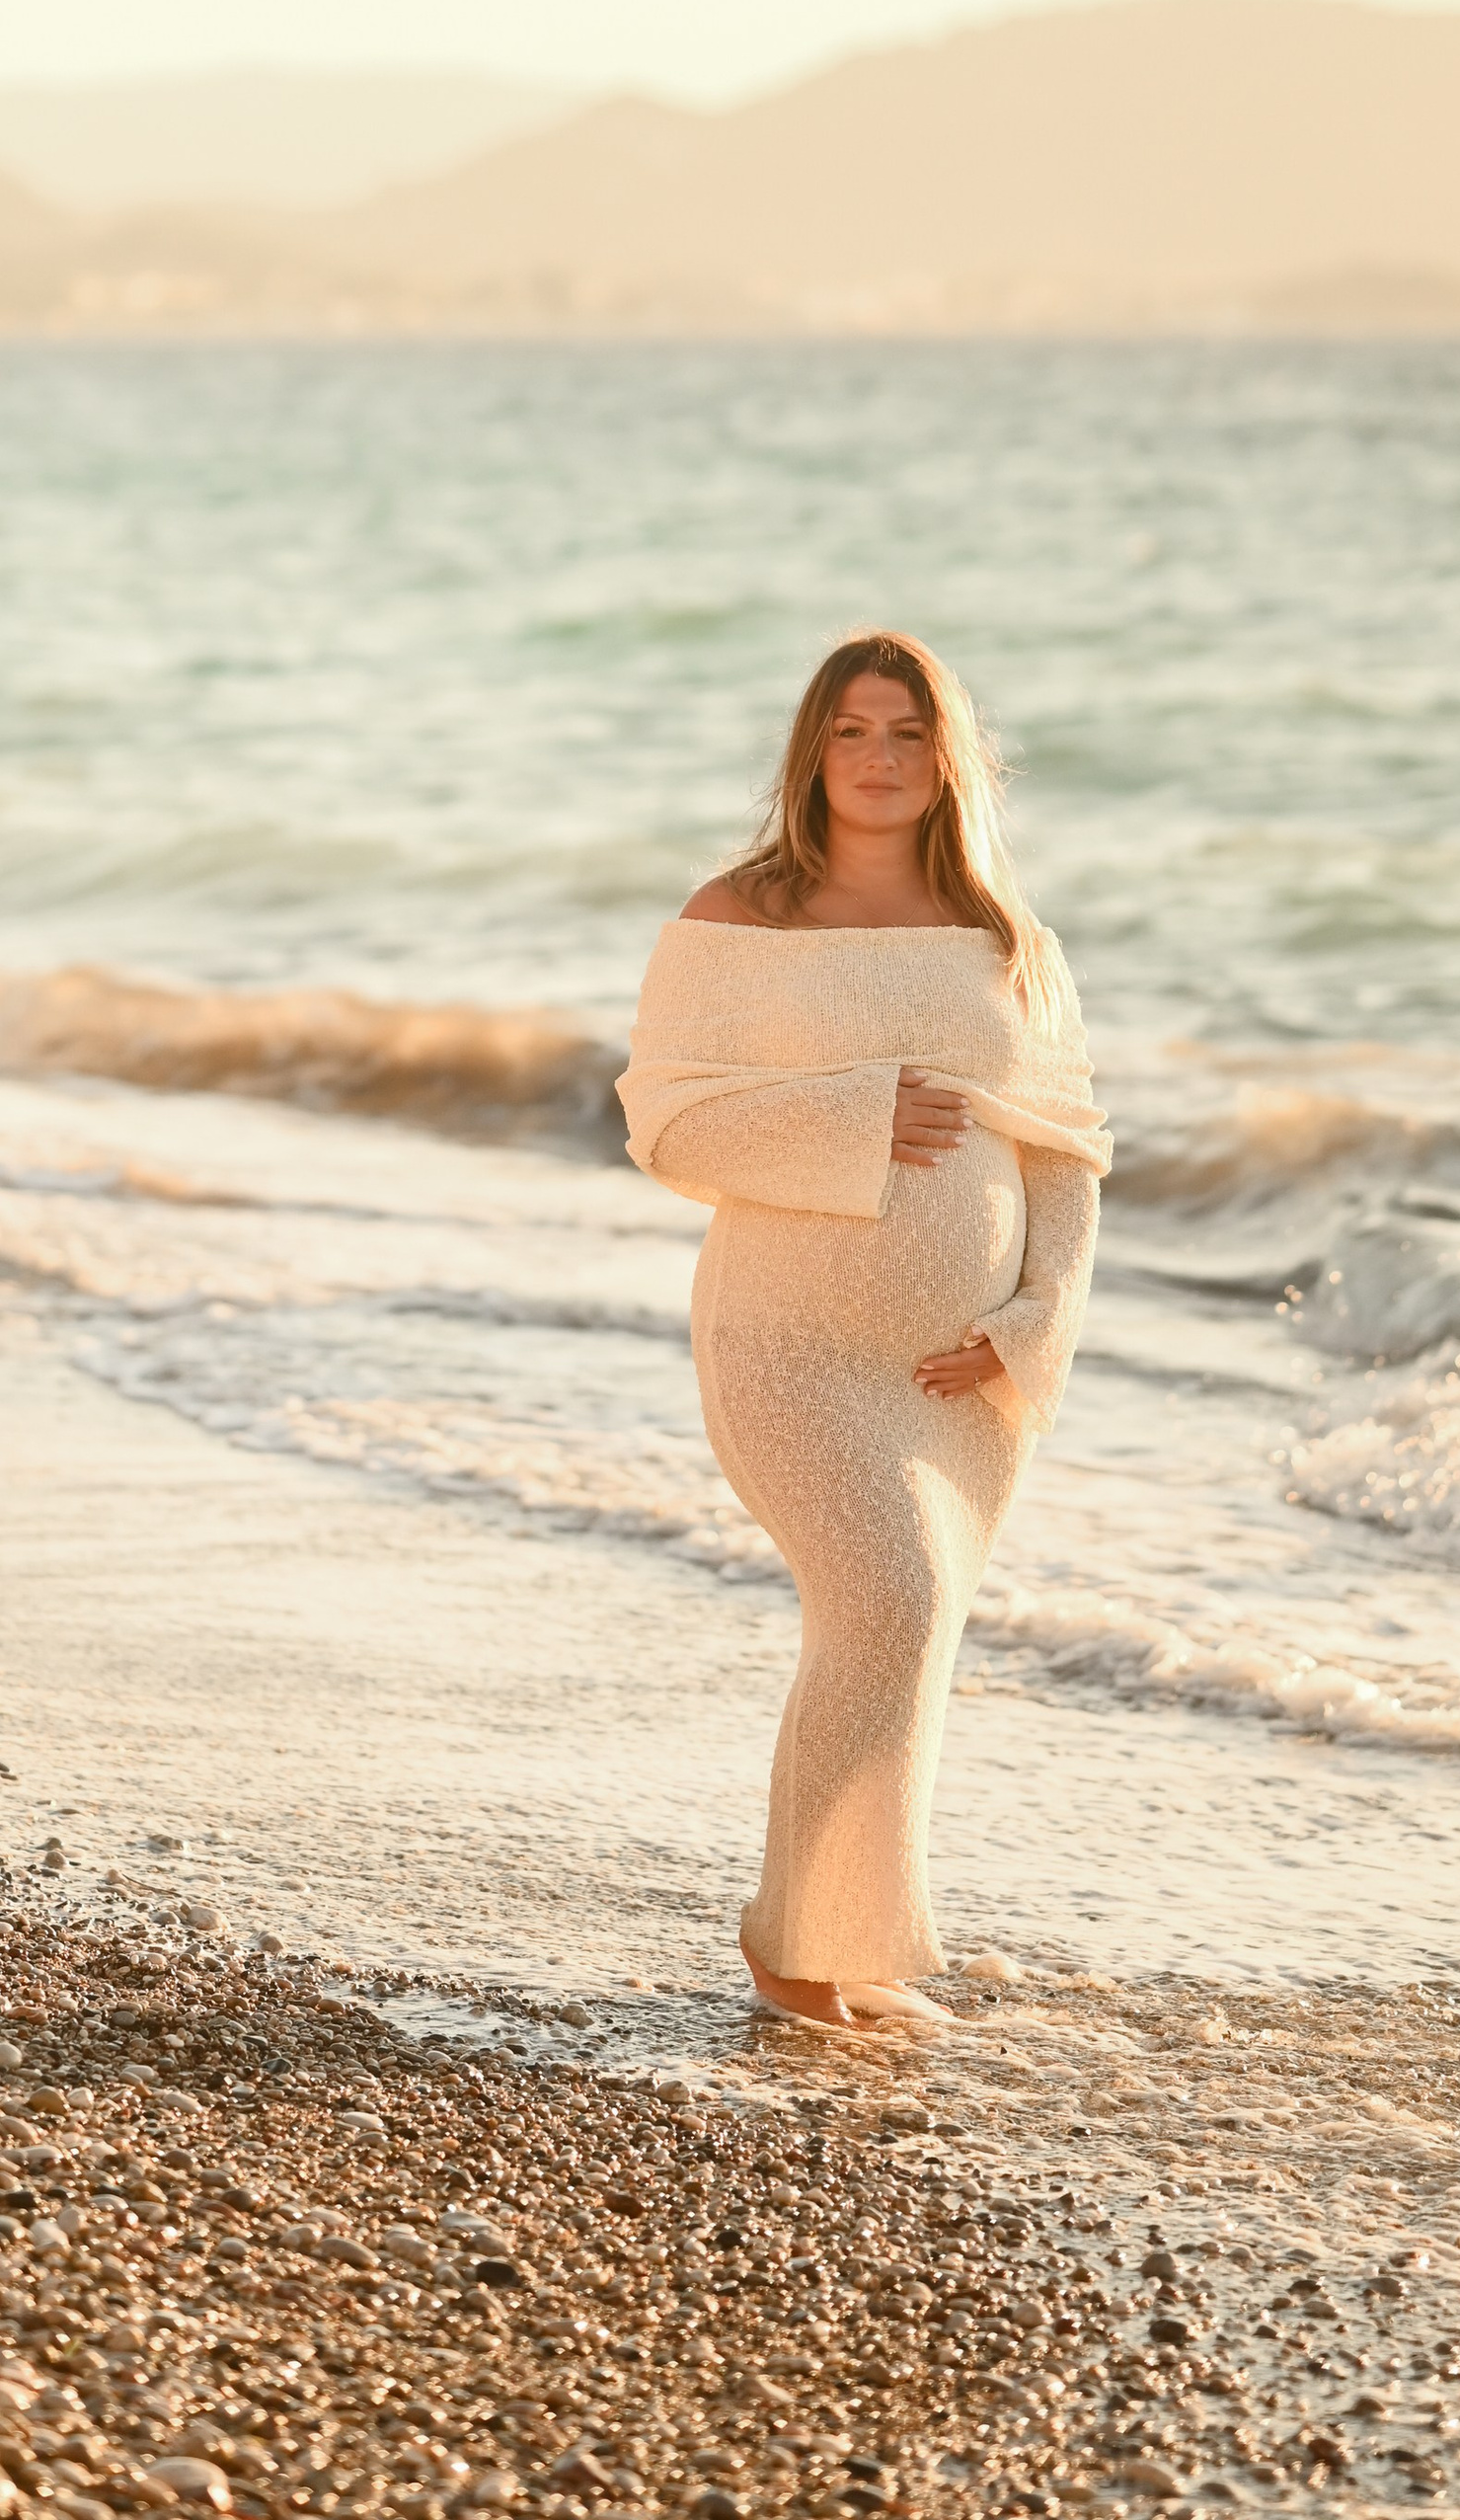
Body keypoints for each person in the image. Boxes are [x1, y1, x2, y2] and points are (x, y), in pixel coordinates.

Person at [617, 632, 1109, 2029]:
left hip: (957, 1370)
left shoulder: (1013, 942)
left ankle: (839, 1938)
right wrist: (861, 1114)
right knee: (887, 1602)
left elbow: (1070, 1153)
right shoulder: (739, 916)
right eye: (851, 731)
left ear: (951, 757)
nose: (880, 757)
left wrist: (1030, 1319)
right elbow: (667, 1121)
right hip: (787, 1342)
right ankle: (795, 1943)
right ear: (811, 752)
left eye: (907, 731)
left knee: (908, 1623)